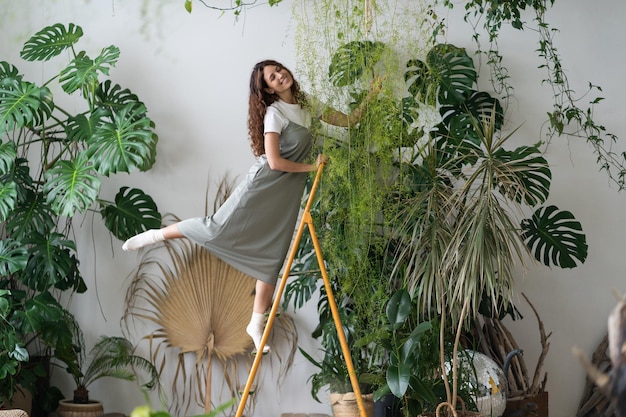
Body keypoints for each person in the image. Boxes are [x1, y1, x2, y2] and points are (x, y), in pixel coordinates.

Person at [122, 59, 379, 354]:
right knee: (214, 227)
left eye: (279, 70)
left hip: (286, 192)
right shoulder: (275, 114)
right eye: (272, 77)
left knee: (273, 254)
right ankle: (154, 235)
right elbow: (274, 162)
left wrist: (371, 95)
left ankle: (255, 323)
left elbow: (349, 120)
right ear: (267, 89)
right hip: (263, 185)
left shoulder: (309, 105)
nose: (280, 76)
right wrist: (312, 167)